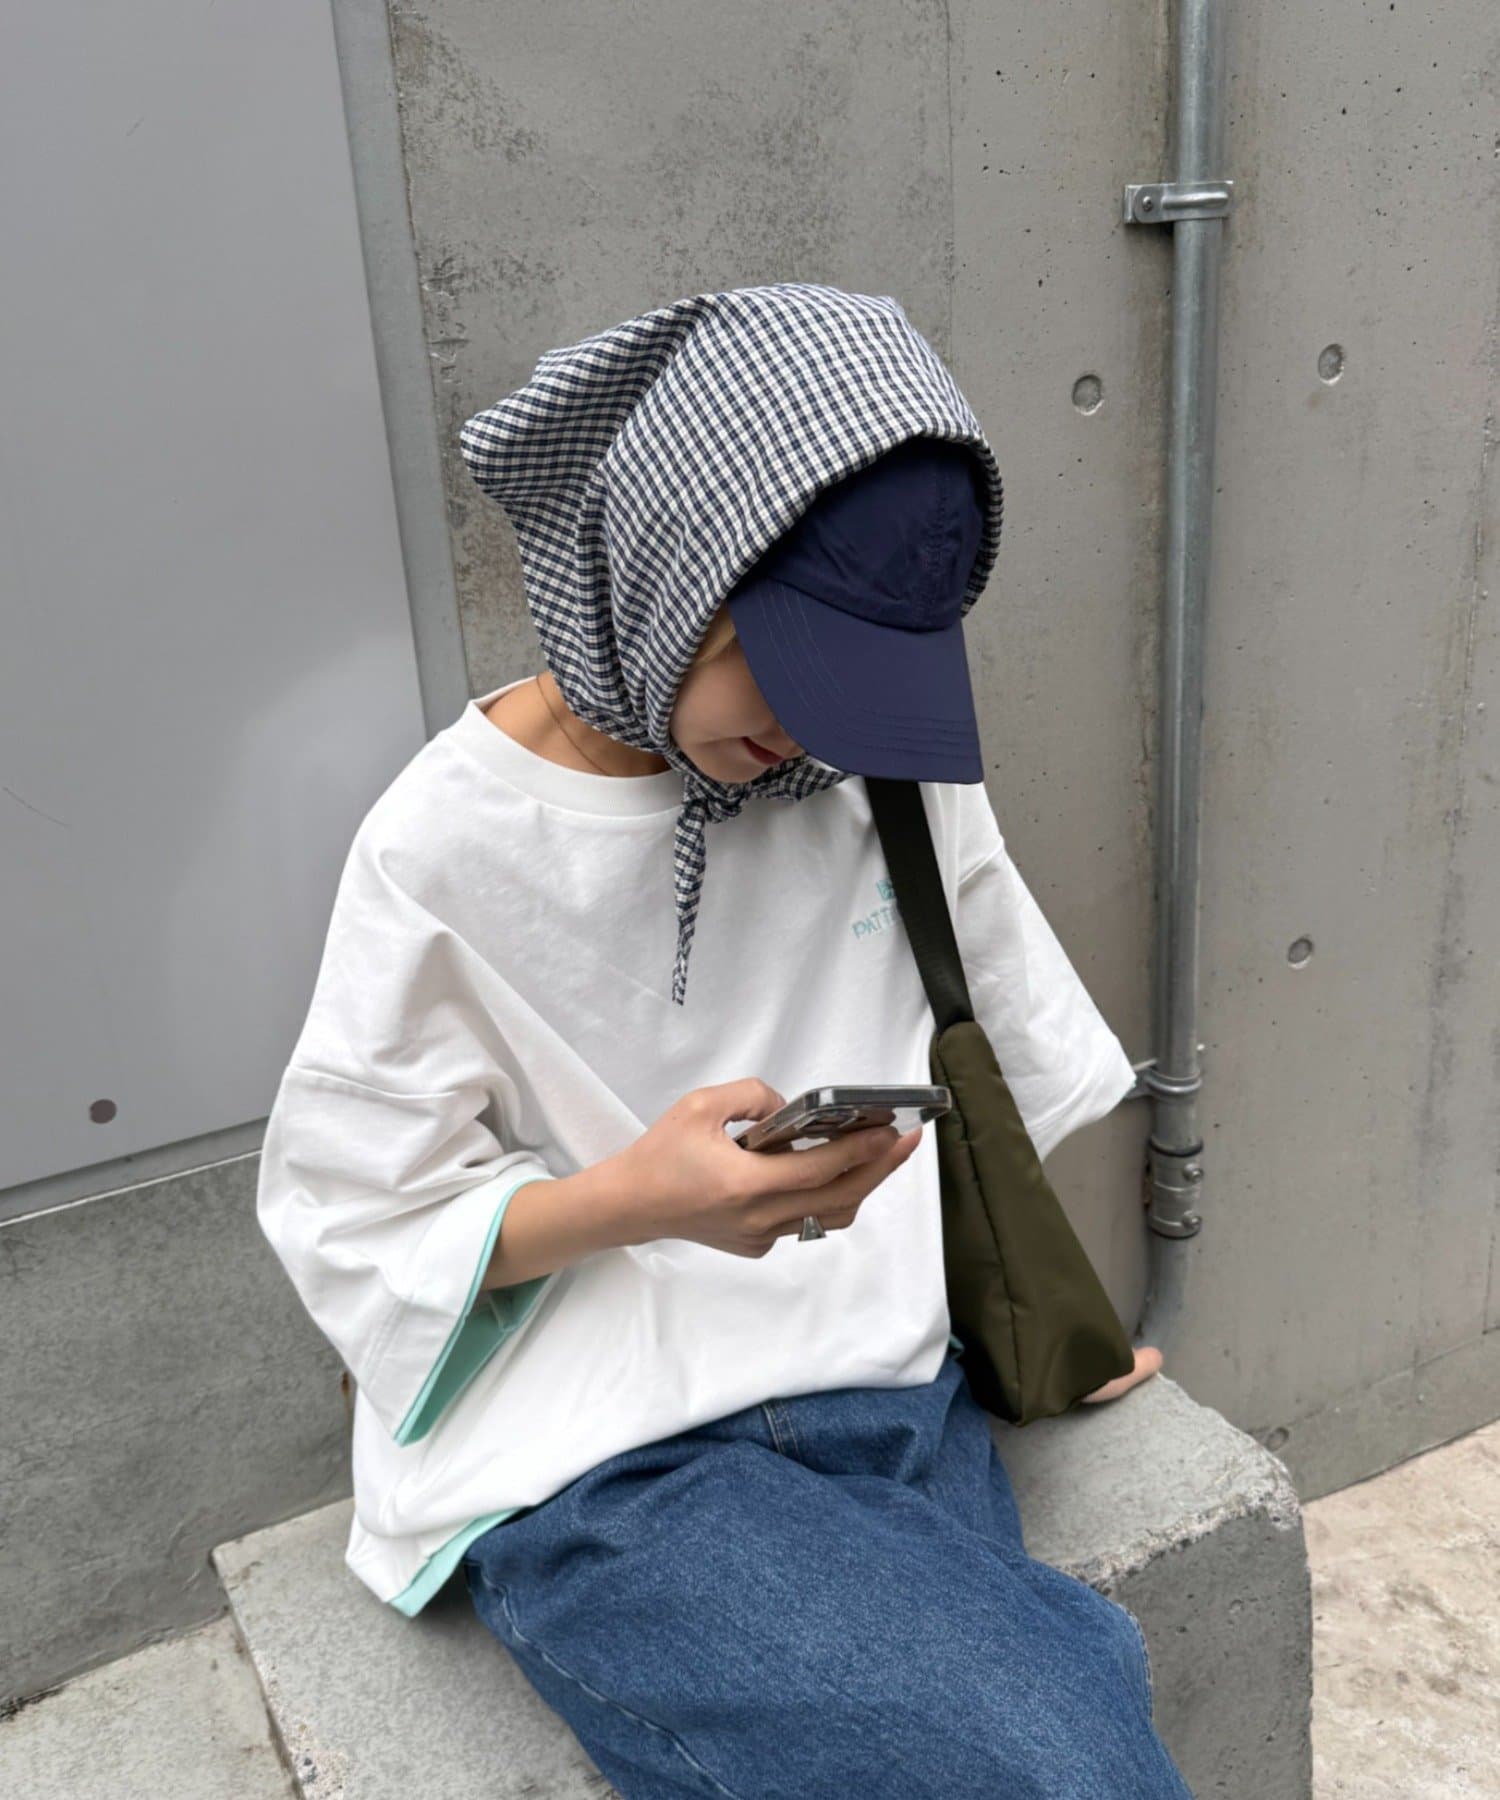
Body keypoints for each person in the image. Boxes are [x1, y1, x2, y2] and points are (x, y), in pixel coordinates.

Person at [256, 283, 1188, 1796]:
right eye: (790, 659)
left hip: (890, 1394)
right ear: (673, 559)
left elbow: (999, 1049)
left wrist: (1050, 1331)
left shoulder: (878, 771)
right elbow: (354, 1216)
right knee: (1055, 1750)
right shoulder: (446, 846)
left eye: (869, 677)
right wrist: (641, 1199)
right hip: (612, 1464)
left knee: (1056, 1708)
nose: (811, 728)